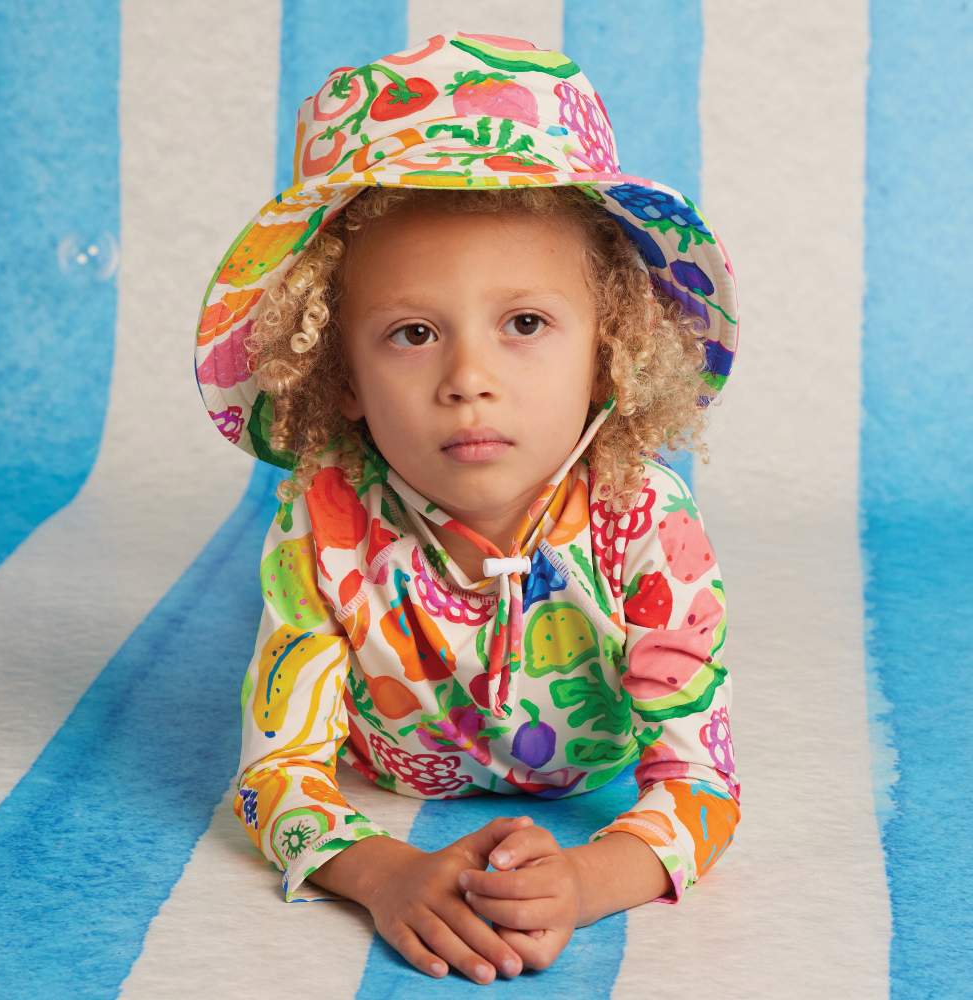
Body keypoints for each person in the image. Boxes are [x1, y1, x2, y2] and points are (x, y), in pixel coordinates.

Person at [194, 30, 741, 985]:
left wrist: (586, 879)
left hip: (589, 780)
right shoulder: (324, 521)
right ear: (342, 374)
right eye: (412, 333)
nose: (469, 379)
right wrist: (384, 874)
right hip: (389, 777)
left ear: (606, 351)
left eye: (525, 322)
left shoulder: (646, 519)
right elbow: (274, 776)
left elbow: (704, 782)